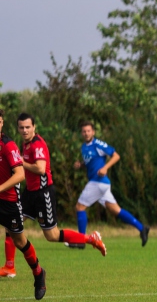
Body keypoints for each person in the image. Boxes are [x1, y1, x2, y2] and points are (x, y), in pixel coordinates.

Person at [2, 114, 106, 273]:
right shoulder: (26, 144)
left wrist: (21, 162)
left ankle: (90, 239)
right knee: (11, 225)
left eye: (28, 127)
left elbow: (40, 168)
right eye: (21, 127)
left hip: (43, 194)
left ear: (34, 127)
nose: (25, 130)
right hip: (29, 193)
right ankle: (10, 266)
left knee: (52, 235)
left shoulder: (37, 144)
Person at [73, 121, 149, 246]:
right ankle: (142, 228)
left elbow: (116, 156)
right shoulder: (84, 147)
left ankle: (81, 241)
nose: (86, 133)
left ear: (93, 132)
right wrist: (81, 165)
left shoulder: (98, 144)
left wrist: (105, 167)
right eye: (84, 131)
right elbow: (91, 162)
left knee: (80, 207)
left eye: (88, 131)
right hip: (100, 184)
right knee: (116, 210)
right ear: (81, 133)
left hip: (98, 182)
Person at [0, 109, 47, 298]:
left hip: (9, 202)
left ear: (1, 123)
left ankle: (38, 272)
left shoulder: (8, 146)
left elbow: (20, 175)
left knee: (19, 241)